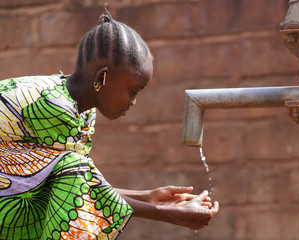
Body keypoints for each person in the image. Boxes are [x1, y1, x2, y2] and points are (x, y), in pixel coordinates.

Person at [0, 9, 219, 240]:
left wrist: (148, 197)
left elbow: (71, 183)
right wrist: (167, 213)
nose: (133, 102)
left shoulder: (81, 113)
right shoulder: (54, 107)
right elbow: (74, 182)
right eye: (132, 91)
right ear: (102, 77)